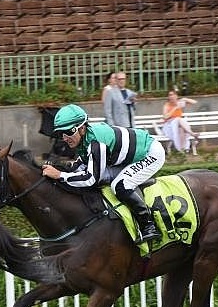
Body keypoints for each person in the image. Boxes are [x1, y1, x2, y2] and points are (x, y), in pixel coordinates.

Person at [42, 104, 165, 244]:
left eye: (68, 132)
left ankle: (149, 225)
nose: (64, 138)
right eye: (60, 134)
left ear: (82, 128)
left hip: (150, 153)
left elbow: (91, 179)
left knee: (120, 186)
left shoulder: (96, 143)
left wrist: (60, 175)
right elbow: (79, 165)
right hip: (127, 158)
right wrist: (60, 170)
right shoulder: (85, 139)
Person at [161, 89, 199, 154]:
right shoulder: (167, 105)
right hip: (169, 126)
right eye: (170, 95)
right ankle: (192, 133)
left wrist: (185, 99)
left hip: (180, 125)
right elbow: (165, 117)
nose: (171, 96)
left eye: (173, 95)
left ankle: (182, 149)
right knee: (179, 120)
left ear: (176, 96)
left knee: (181, 123)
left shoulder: (179, 102)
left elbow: (195, 102)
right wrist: (175, 108)